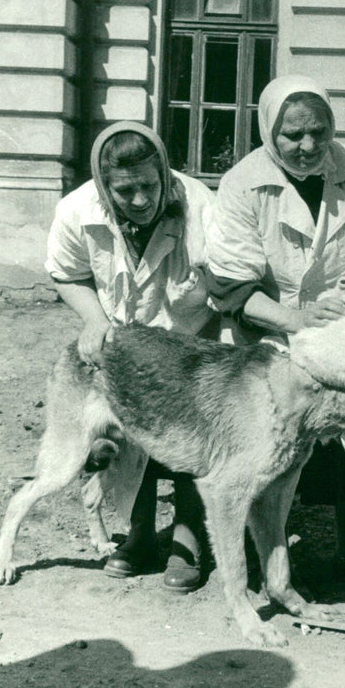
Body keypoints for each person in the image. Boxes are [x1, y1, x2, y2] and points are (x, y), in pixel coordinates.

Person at [207, 75, 345, 598]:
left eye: (318, 132)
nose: (307, 146)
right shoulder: (241, 183)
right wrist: (294, 321)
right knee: (265, 443)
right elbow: (232, 284)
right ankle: (260, 559)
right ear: (268, 132)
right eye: (291, 135)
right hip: (266, 331)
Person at [45, 121, 216, 592]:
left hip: (192, 341)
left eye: (149, 185)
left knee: (190, 438)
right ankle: (140, 536)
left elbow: (225, 281)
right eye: (124, 191)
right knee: (126, 432)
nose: (140, 200)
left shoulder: (201, 206)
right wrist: (94, 320)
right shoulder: (76, 210)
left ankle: (188, 536)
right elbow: (66, 272)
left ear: (164, 171)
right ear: (104, 186)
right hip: (125, 340)